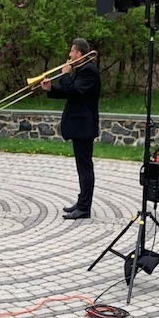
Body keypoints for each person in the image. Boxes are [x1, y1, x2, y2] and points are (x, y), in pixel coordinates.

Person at [44, 38, 100, 219]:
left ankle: (84, 208)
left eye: (72, 51)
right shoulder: (81, 70)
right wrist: (50, 89)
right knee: (81, 167)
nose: (69, 55)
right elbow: (68, 92)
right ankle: (81, 201)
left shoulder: (89, 71)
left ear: (80, 54)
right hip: (79, 125)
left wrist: (65, 74)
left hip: (84, 126)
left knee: (85, 168)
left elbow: (75, 92)